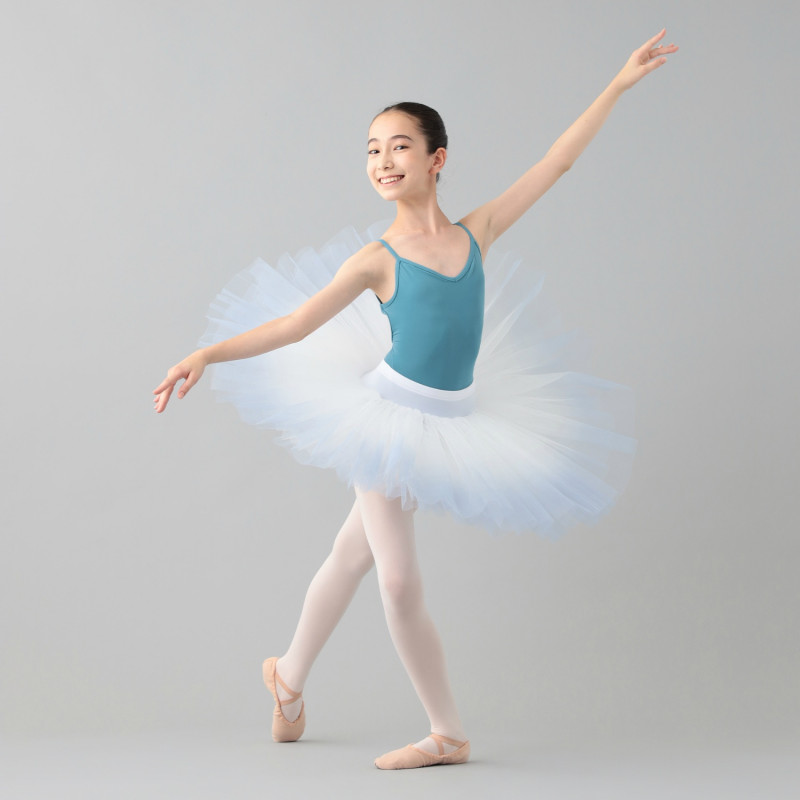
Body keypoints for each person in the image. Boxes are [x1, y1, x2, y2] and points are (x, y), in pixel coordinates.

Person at [154, 30, 678, 769]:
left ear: (437, 159)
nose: (382, 160)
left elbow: (556, 163)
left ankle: (287, 677)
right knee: (398, 580)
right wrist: (206, 352)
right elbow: (296, 324)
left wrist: (618, 85)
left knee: (350, 556)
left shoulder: (477, 232)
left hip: (452, 419)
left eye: (399, 146)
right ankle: (448, 733)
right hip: (389, 421)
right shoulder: (377, 259)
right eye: (372, 149)